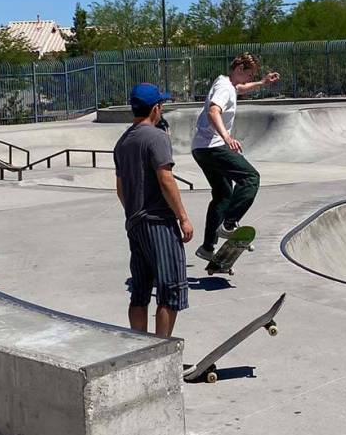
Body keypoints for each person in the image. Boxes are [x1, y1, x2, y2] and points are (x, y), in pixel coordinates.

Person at [114, 83, 194, 338]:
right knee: (170, 290)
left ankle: (139, 347)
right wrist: (183, 217)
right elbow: (165, 178)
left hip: (134, 223)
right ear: (156, 109)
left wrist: (134, 212)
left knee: (140, 291)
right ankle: (162, 351)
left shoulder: (123, 142)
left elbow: (120, 189)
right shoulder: (157, 137)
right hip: (159, 222)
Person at [191, 53, 280, 261]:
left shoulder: (225, 83)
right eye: (249, 74)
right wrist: (227, 137)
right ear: (239, 69)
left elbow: (239, 89)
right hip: (213, 146)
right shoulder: (224, 88)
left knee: (223, 194)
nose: (249, 79)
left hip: (200, 149)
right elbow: (214, 111)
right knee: (250, 178)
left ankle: (207, 247)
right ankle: (229, 224)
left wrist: (262, 82)